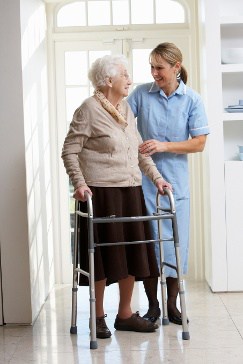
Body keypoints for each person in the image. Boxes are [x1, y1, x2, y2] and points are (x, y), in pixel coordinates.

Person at [61, 54, 172, 339]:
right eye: (125, 74)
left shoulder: (125, 108)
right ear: (108, 80)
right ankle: (97, 317)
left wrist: (158, 178)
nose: (130, 80)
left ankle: (125, 314)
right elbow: (70, 150)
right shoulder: (88, 109)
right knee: (102, 257)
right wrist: (79, 183)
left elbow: (138, 151)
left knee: (133, 254)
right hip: (102, 193)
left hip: (131, 190)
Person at [127, 42, 209, 325]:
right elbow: (120, 122)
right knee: (150, 246)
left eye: (159, 67)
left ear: (176, 67)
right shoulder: (141, 94)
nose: (154, 73)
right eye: (151, 66)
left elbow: (199, 143)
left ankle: (171, 305)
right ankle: (153, 306)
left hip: (176, 185)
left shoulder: (192, 100)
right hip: (144, 182)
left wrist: (163, 146)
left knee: (175, 245)